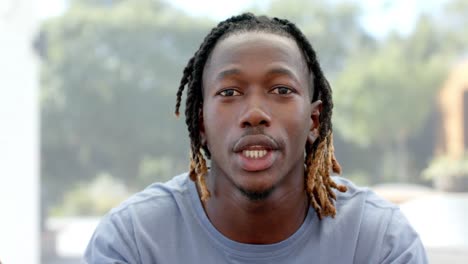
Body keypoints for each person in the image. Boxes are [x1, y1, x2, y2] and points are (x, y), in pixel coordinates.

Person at [84, 13, 428, 263]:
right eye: (230, 91)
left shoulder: (378, 241)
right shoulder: (134, 241)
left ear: (314, 120)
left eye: (281, 89)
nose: (254, 113)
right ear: (201, 122)